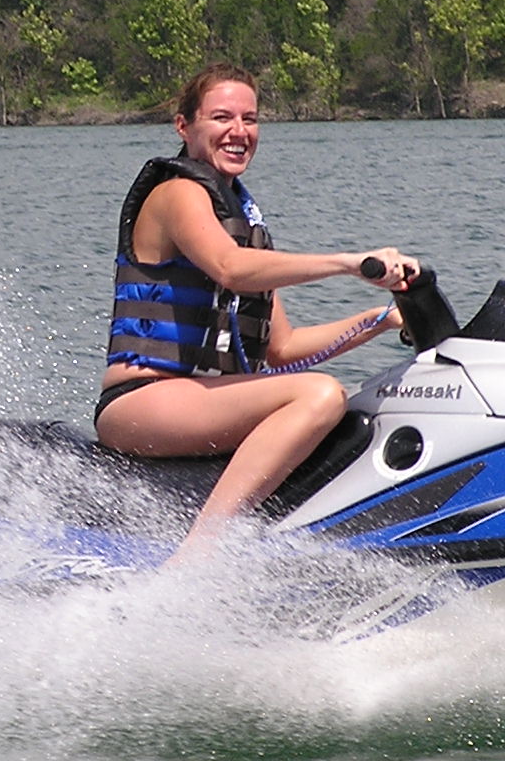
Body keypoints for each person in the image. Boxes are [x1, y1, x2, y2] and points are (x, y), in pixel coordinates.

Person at [96, 62, 418, 563]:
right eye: (221, 117)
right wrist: (349, 263)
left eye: (250, 119)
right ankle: (202, 553)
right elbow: (229, 268)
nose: (239, 132)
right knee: (320, 393)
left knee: (353, 405)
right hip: (143, 399)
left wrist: (384, 319)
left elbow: (283, 349)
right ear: (185, 126)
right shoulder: (176, 193)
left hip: (201, 398)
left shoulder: (242, 220)